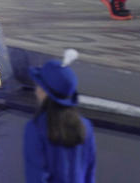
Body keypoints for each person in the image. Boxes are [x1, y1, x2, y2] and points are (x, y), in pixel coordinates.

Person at [24, 53, 96, 183]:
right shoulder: (86, 127)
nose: (36, 91)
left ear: (45, 92)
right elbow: (89, 176)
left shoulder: (36, 128)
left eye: (39, 86)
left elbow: (36, 178)